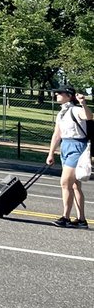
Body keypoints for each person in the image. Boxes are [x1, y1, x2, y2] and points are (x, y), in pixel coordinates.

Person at [47, 86, 93, 228]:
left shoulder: (76, 110)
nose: (56, 94)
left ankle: (65, 217)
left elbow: (89, 116)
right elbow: (57, 134)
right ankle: (81, 220)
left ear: (68, 95)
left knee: (65, 183)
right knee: (74, 185)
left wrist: (83, 103)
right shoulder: (61, 113)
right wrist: (51, 153)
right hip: (65, 146)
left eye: (59, 93)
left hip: (77, 147)